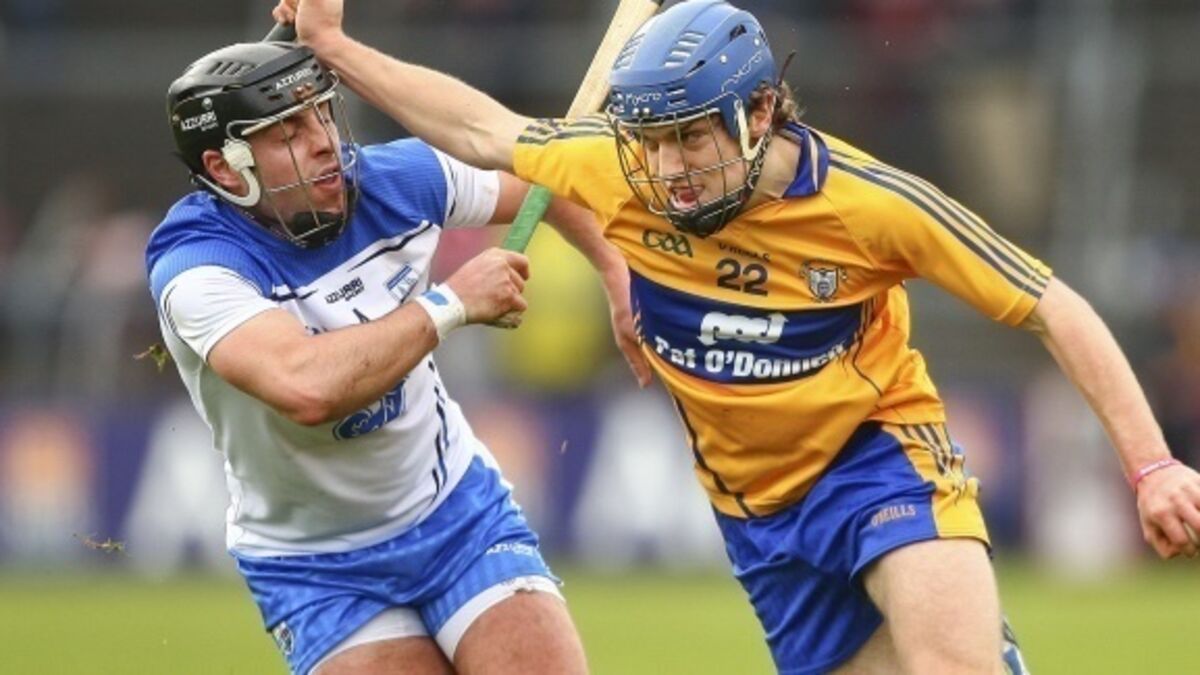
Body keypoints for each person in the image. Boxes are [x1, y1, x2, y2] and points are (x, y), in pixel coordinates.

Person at [275, 0, 1200, 673]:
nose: (668, 169)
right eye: (652, 140)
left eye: (691, 138)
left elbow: (1051, 304)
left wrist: (1152, 466)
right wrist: (335, 48)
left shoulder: (872, 207)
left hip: (877, 458)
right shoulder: (619, 171)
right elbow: (481, 129)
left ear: (759, 114)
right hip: (757, 513)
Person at [148, 38, 644, 675]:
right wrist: (451, 305)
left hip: (456, 512)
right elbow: (306, 387)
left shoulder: (394, 180)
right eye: (289, 134)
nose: (325, 142)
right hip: (318, 568)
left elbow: (545, 180)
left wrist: (618, 277)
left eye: (323, 114)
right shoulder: (199, 267)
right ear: (224, 168)